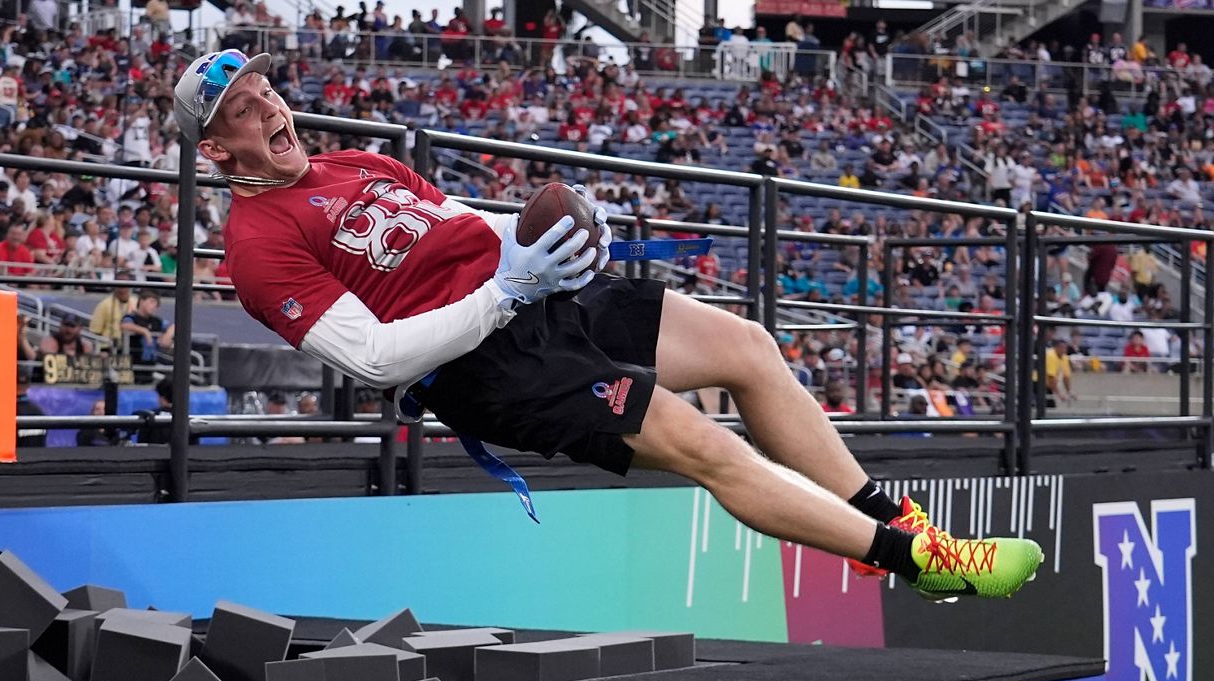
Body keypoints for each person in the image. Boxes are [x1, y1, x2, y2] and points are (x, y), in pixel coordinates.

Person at [175, 50, 1042, 600]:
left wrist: (551, 237)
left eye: (264, 89)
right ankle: (919, 561)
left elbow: (461, 220)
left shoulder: (349, 160)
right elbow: (372, 360)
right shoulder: (257, 243)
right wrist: (507, 292)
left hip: (539, 294)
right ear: (216, 151)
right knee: (711, 447)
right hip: (487, 362)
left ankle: (893, 522)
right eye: (242, 110)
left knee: (747, 347)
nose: (268, 107)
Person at [121, 289, 175, 383]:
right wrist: (144, 331)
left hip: (150, 363)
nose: (154, 307)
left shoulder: (156, 321)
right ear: (142, 301)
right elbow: (125, 326)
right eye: (152, 302)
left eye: (156, 305)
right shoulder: (131, 317)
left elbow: (173, 326)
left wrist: (167, 336)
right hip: (133, 362)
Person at [91, 270, 138, 346]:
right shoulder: (104, 304)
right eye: (119, 281)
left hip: (131, 347)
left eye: (124, 282)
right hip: (108, 347)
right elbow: (95, 331)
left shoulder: (136, 303)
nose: (122, 284)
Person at [16, 366, 48, 448]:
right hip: (39, 459)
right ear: (28, 385)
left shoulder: (7, 414)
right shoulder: (39, 412)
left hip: (20, 459)